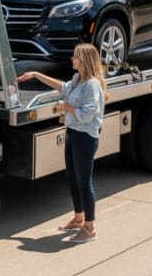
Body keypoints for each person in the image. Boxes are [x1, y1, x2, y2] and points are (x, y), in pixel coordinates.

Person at [16, 43, 106, 244]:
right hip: (73, 133)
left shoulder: (92, 85)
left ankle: (90, 228)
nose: (72, 59)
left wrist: (66, 107)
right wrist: (36, 74)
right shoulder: (76, 80)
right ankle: (78, 217)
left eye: (75, 56)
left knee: (84, 181)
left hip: (85, 137)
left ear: (84, 61)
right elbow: (61, 87)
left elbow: (87, 115)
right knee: (72, 178)